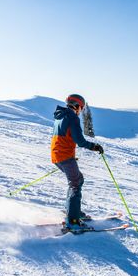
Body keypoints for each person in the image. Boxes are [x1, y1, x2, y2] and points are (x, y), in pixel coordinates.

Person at [51, 94, 104, 231]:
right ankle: (73, 220)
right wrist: (94, 147)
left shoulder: (60, 116)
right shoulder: (72, 117)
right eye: (81, 108)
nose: (80, 111)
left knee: (77, 180)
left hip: (58, 156)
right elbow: (80, 141)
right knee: (75, 183)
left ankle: (72, 210)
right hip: (65, 157)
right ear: (77, 106)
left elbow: (65, 137)